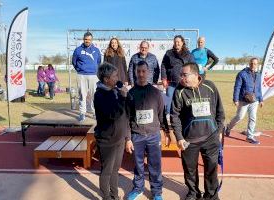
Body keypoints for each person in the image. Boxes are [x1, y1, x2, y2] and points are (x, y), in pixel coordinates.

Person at [171, 63, 225, 200]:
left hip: (211, 137)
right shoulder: (179, 91)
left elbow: (220, 111)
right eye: (181, 75)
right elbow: (174, 116)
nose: (181, 77)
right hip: (189, 140)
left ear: (196, 75)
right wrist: (179, 137)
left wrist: (218, 130)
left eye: (185, 75)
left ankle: (211, 195)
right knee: (190, 170)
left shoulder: (210, 86)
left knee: (211, 169)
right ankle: (193, 193)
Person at [125, 61, 170, 200]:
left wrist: (167, 132)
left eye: (144, 71)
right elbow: (126, 118)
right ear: (135, 73)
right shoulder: (131, 93)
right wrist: (128, 139)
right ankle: (138, 188)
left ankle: (156, 192)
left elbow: (161, 114)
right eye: (138, 71)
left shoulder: (156, 93)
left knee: (155, 165)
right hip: (137, 135)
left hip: (153, 135)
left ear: (149, 72)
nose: (141, 74)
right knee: (138, 165)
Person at [94, 62, 129, 200]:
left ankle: (115, 195)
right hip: (107, 140)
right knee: (107, 171)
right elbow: (113, 114)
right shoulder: (101, 95)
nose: (117, 77)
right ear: (106, 79)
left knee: (115, 170)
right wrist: (122, 97)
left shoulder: (115, 89)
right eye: (114, 75)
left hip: (119, 138)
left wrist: (125, 93)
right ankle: (107, 197)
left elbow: (126, 109)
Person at [225, 57, 263, 144]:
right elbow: (237, 87)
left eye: (255, 64)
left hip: (255, 100)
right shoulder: (242, 74)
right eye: (252, 63)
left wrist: (261, 99)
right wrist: (235, 99)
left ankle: (250, 137)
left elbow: (259, 88)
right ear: (249, 64)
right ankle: (228, 127)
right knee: (239, 117)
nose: (253, 65)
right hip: (244, 100)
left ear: (257, 65)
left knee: (253, 118)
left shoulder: (259, 75)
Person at [161, 35, 195, 117]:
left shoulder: (188, 54)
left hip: (184, 83)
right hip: (171, 82)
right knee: (168, 100)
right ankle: (167, 117)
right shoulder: (168, 53)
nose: (177, 43)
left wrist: (191, 79)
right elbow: (163, 65)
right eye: (175, 42)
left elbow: (193, 66)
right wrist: (164, 78)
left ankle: (184, 117)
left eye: (178, 42)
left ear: (182, 43)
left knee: (183, 100)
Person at [72, 31, 101, 121]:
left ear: (92, 40)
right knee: (82, 95)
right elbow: (74, 62)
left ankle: (95, 113)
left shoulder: (96, 50)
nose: (87, 41)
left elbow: (99, 62)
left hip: (93, 76)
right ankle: (82, 113)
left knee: (95, 96)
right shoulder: (78, 50)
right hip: (81, 75)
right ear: (83, 39)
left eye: (89, 40)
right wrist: (80, 69)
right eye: (86, 39)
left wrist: (94, 70)